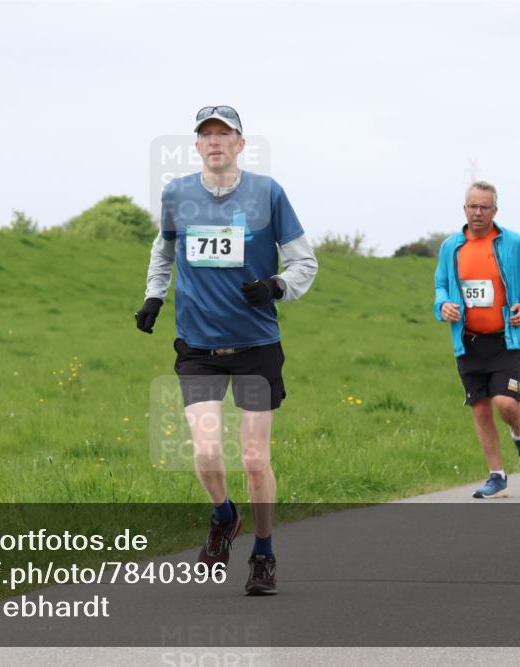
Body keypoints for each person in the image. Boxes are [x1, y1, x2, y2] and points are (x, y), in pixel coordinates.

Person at [135, 105, 318, 594]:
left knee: (256, 459)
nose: (215, 141)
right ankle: (223, 515)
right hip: (198, 345)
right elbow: (164, 248)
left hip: (257, 346)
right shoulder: (176, 193)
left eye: (225, 134)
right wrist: (155, 295)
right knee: (206, 449)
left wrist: (276, 287)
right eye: (206, 135)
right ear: (196, 146)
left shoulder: (268, 194)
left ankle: (263, 552)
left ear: (241, 143)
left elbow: (305, 262)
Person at [434, 181, 520, 499]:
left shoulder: (513, 243)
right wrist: (443, 305)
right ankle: (497, 476)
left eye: (484, 207)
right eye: (472, 206)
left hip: (506, 338)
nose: (478, 212)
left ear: (495, 210)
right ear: (464, 208)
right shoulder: (451, 247)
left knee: (506, 403)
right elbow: (441, 284)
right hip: (468, 341)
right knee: (481, 409)